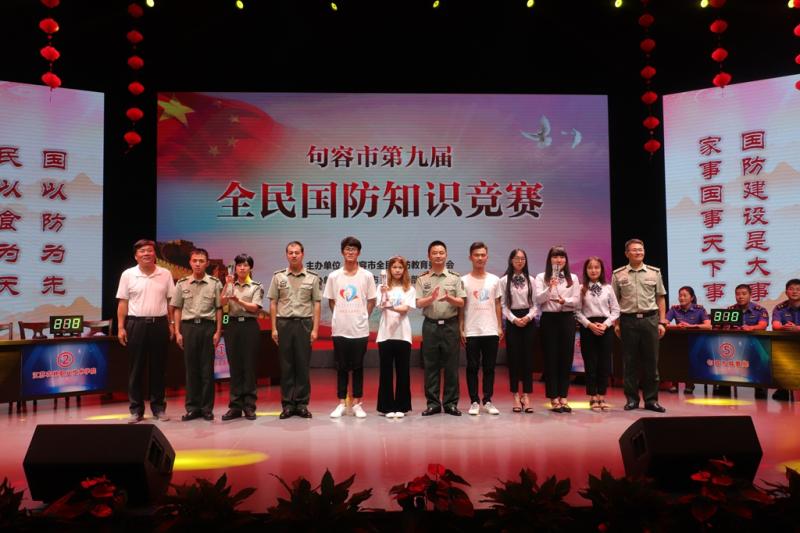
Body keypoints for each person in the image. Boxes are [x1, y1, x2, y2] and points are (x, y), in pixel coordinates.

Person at [116, 239, 176, 423]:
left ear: (154, 254)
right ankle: (136, 410)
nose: (146, 254)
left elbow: (170, 301)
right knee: (136, 369)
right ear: (136, 256)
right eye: (142, 251)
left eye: (150, 250)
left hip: (159, 324)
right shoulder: (128, 275)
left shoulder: (165, 274)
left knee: (159, 368)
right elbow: (123, 302)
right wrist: (120, 327)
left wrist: (172, 323)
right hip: (136, 324)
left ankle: (159, 409)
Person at [612, 238, 668, 413]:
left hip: (650, 320)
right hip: (627, 321)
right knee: (630, 362)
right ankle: (632, 400)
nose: (638, 252)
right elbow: (614, 301)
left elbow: (660, 298)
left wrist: (662, 322)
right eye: (634, 250)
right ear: (626, 253)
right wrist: (616, 323)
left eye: (641, 249)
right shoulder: (618, 274)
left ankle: (651, 400)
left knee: (651, 362)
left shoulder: (654, 272)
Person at [323, 237, 377, 418]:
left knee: (358, 366)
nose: (350, 252)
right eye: (347, 249)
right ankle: (341, 403)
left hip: (360, 329)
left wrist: (363, 315)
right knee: (341, 367)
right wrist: (340, 315)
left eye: (354, 249)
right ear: (342, 252)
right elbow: (332, 301)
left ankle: (357, 404)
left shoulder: (367, 276)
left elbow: (372, 300)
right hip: (340, 329)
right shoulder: (334, 276)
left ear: (359, 252)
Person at [268, 241, 322, 419]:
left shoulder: (312, 277)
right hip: (284, 324)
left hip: (304, 324)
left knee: (302, 365)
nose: (293, 255)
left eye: (297, 252)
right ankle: (288, 405)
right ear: (286, 255)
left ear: (302, 254)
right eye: (290, 252)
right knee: (286, 366)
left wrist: (315, 329)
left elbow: (316, 304)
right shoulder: (278, 277)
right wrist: (273, 328)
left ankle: (302, 404)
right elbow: (273, 303)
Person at [416, 240, 466, 416]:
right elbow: (418, 303)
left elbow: (461, 302)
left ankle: (451, 403)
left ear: (446, 255)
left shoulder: (455, 277)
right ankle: (433, 403)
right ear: (429, 256)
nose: (438, 256)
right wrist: (431, 299)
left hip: (450, 325)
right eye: (434, 253)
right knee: (431, 366)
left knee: (451, 366)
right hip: (430, 325)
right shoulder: (422, 279)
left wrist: (449, 298)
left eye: (441, 252)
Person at [172, 248, 223, 422]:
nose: (198, 264)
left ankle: (207, 409)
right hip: (188, 328)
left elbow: (219, 309)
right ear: (190, 262)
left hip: (208, 328)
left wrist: (218, 331)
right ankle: (192, 408)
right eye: (195, 260)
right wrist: (177, 331)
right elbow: (177, 308)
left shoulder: (215, 283)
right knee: (191, 370)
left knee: (207, 370)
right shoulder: (182, 283)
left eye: (201, 261)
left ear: (207, 263)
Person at [535, 246, 581, 413]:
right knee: (551, 359)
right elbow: (538, 299)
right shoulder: (541, 277)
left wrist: (565, 301)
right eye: (555, 257)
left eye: (562, 257)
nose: (559, 260)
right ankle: (553, 398)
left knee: (566, 358)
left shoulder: (573, 278)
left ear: (566, 260)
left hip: (567, 319)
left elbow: (576, 300)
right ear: (550, 259)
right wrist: (550, 287)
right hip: (549, 320)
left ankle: (564, 397)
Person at [459, 242, 503, 416]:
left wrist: (499, 326)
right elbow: (461, 306)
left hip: (491, 330)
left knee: (489, 368)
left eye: (482, 255)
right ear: (470, 257)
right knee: (472, 367)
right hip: (472, 330)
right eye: (476, 255)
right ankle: (474, 401)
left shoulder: (495, 280)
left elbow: (498, 304)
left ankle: (488, 400)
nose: (480, 258)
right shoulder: (463, 280)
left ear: (487, 257)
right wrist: (461, 328)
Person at [220, 253, 264, 421]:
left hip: (249, 326)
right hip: (232, 326)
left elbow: (254, 308)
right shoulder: (230, 284)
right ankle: (235, 407)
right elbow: (221, 303)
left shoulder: (256, 286)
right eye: (239, 265)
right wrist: (227, 284)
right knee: (235, 367)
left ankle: (249, 406)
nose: (242, 268)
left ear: (250, 268)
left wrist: (238, 300)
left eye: (245, 265)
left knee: (249, 366)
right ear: (235, 268)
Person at [575, 257, 619, 411]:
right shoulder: (581, 288)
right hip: (588, 327)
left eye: (597, 267)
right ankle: (593, 396)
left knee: (604, 363)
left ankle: (602, 395)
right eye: (590, 267)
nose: (593, 270)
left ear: (601, 270)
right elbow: (576, 311)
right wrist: (589, 325)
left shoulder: (608, 288)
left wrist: (606, 324)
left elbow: (616, 310)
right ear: (586, 270)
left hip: (605, 327)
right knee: (590, 363)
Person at [376, 256, 416, 418]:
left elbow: (405, 309)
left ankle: (401, 406)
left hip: (403, 334)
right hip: (385, 334)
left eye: (400, 267)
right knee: (385, 372)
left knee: (403, 371)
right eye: (394, 267)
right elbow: (381, 306)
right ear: (389, 270)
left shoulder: (409, 289)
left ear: (404, 270)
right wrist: (384, 294)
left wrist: (390, 305)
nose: (397, 270)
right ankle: (386, 407)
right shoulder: (382, 287)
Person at [499, 249, 538, 413]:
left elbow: (535, 304)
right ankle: (515, 394)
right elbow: (503, 305)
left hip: (528, 320)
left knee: (528, 359)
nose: (520, 261)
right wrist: (514, 319)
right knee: (514, 359)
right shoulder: (504, 281)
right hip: (512, 320)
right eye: (516, 258)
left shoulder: (531, 280)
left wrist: (528, 317)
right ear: (511, 260)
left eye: (523, 258)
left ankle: (526, 395)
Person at [719, 284, 769, 398]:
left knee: (761, 356)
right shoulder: (730, 310)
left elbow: (763, 325)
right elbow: (722, 327)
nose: (740, 296)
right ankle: (724, 385)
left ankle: (759, 386)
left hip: (752, 346)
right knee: (721, 350)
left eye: (744, 294)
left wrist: (751, 328)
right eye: (738, 294)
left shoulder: (759, 310)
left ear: (750, 295)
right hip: (733, 346)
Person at [664, 286, 709, 394]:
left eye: (685, 295)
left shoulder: (699, 309)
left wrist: (691, 326)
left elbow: (708, 326)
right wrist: (676, 326)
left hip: (695, 341)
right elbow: (664, 323)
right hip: (678, 341)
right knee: (674, 355)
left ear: (692, 298)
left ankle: (689, 384)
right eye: (680, 295)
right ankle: (674, 384)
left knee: (691, 355)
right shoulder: (674, 309)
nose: (682, 298)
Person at [770, 279, 800, 401]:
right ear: (786, 292)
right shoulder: (780, 307)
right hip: (787, 344)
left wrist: (797, 328)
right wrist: (784, 327)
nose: (795, 292)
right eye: (791, 289)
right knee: (778, 352)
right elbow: (775, 325)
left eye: (798, 289)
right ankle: (782, 388)